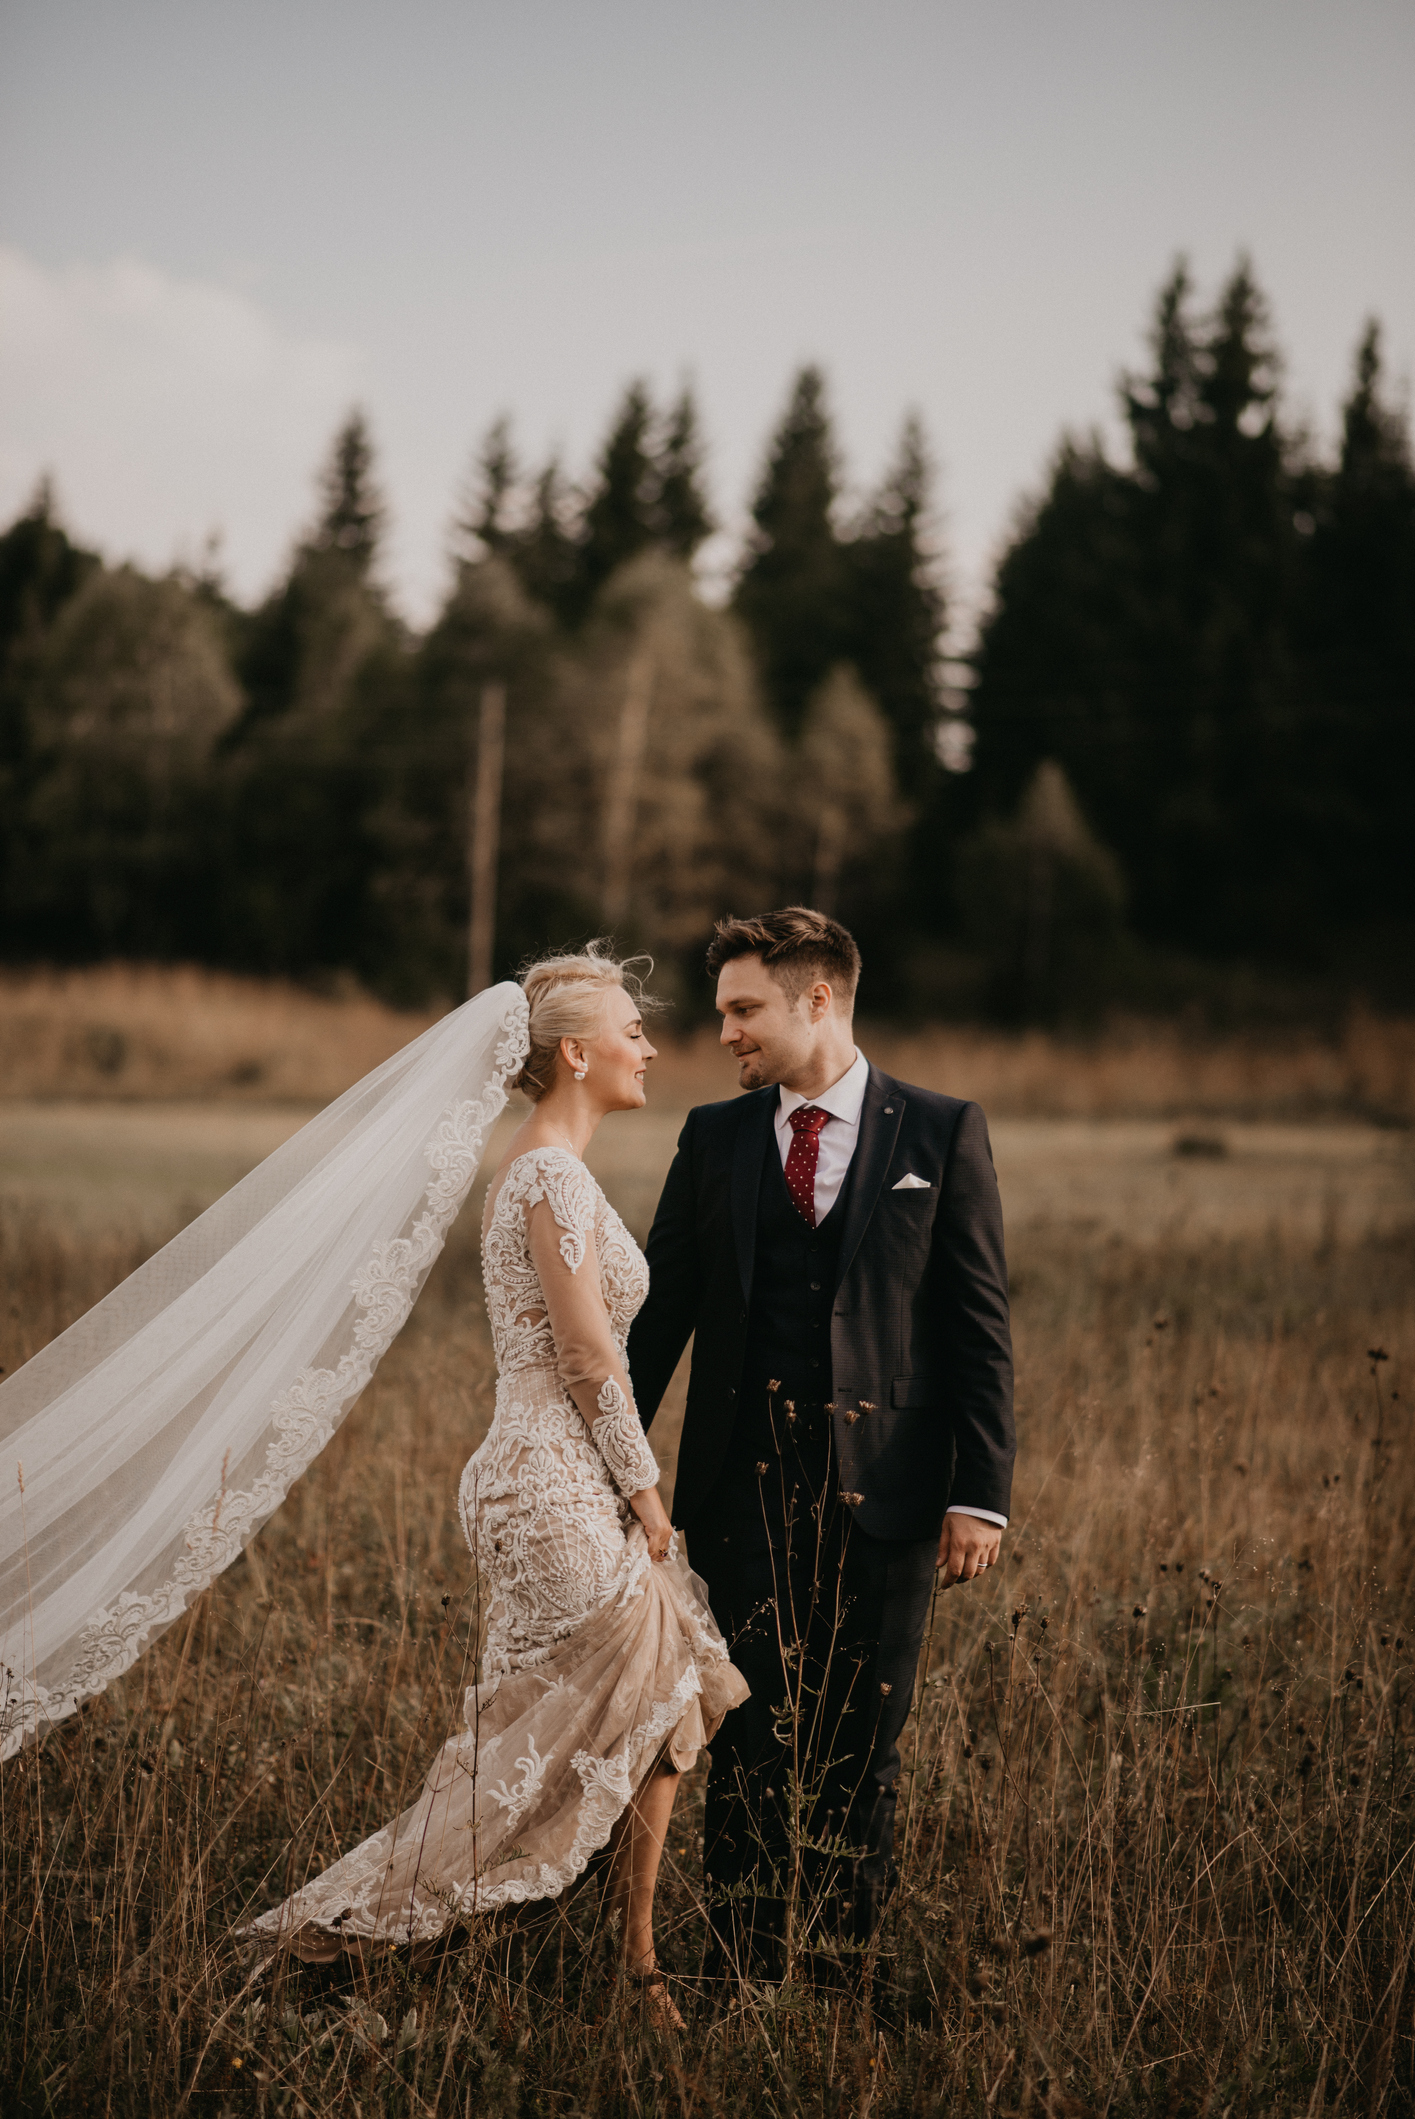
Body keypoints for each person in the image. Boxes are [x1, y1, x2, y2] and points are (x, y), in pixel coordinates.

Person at [242, 948, 747, 2026]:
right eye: (630, 1030)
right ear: (575, 1052)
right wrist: (645, 1491)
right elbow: (584, 1356)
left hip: (552, 1475)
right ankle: (355, 1947)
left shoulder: (548, 1168)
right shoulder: (550, 1175)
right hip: (552, 1479)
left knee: (647, 1705)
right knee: (581, 1728)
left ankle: (615, 1964)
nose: (648, 1046)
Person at [626, 907, 1014, 1980]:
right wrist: (604, 1460)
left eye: (743, 1009)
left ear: (816, 998)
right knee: (745, 1742)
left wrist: (979, 1494)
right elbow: (657, 1320)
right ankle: (734, 1977)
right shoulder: (712, 1139)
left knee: (861, 1754)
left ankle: (837, 1977)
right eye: (719, 1013)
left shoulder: (938, 1131)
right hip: (734, 1501)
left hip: (887, 1503)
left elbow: (977, 1329)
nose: (725, 1034)